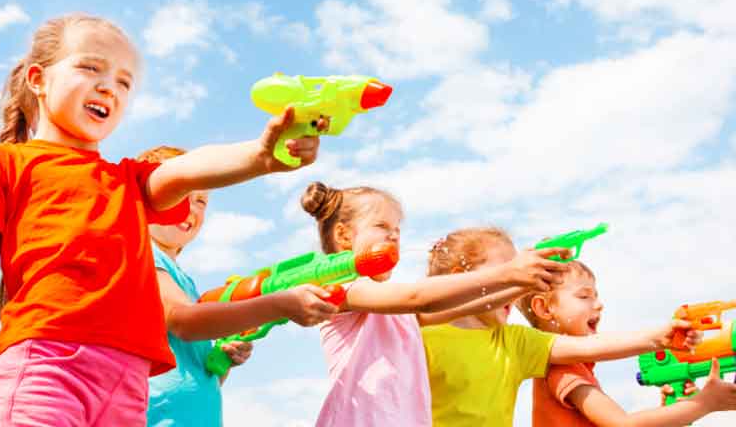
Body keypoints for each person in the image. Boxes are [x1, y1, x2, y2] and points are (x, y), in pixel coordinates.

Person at [0, 13, 324, 427]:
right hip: (45, 367)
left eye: (124, 81)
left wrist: (261, 155)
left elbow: (186, 170)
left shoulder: (128, 181)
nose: (109, 86)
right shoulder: (0, 164)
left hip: (128, 385)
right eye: (90, 67)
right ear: (38, 79)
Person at [300, 182, 572, 427]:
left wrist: (526, 281)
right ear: (344, 235)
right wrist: (509, 272)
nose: (394, 237)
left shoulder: (391, 313)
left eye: (397, 230)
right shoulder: (342, 288)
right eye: (382, 227)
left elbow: (468, 304)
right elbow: (418, 299)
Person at [422, 227, 705, 427]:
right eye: (506, 274)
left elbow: (590, 346)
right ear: (460, 278)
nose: (517, 286)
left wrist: (656, 337)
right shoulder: (419, 337)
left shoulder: (514, 341)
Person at [138, 146, 337, 427]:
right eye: (181, 193)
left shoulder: (186, 283)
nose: (191, 208)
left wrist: (221, 359)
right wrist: (277, 305)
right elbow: (182, 321)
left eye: (201, 201)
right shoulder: (143, 256)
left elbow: (199, 372)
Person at [520, 259, 736, 426]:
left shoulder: (575, 367)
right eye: (584, 296)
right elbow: (623, 424)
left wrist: (673, 411)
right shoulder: (563, 370)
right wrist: (705, 403)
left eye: (596, 296)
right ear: (545, 309)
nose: (599, 305)